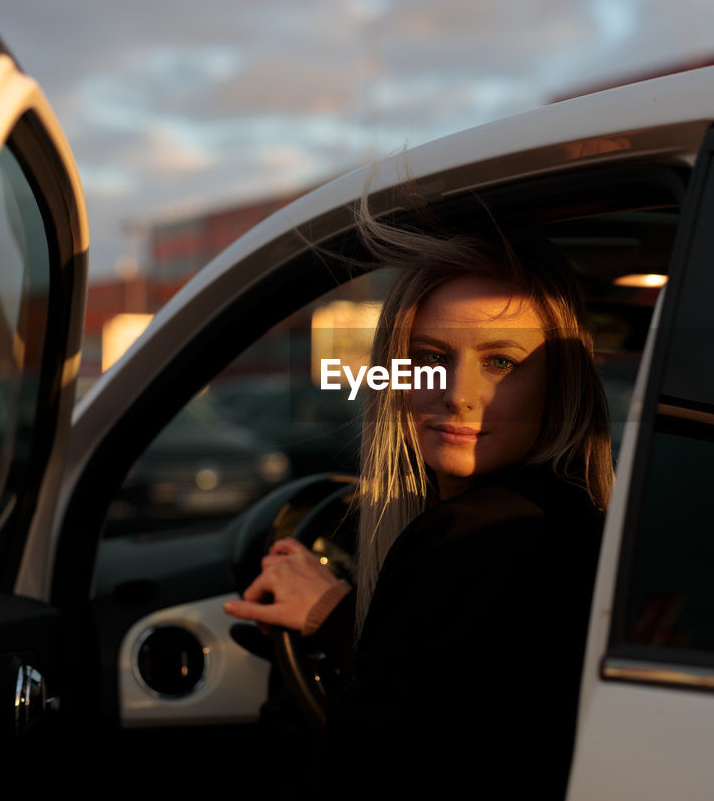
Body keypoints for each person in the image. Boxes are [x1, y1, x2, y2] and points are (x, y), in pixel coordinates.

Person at [223, 205, 613, 799]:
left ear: (560, 380)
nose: (457, 395)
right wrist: (336, 618)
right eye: (431, 358)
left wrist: (331, 623)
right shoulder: (567, 517)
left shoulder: (482, 532)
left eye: (502, 363)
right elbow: (461, 711)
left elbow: (379, 766)